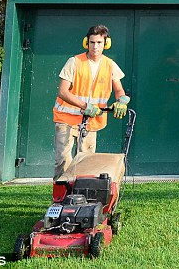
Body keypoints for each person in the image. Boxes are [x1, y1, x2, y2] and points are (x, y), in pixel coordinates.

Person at [52, 25, 129, 181]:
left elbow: (119, 90)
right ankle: (60, 196)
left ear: (106, 44)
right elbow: (63, 92)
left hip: (90, 122)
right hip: (66, 119)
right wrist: (85, 106)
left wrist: (122, 101)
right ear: (86, 43)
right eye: (92, 42)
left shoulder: (110, 65)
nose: (95, 46)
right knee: (63, 160)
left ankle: (82, 195)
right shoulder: (74, 62)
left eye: (99, 42)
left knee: (86, 162)